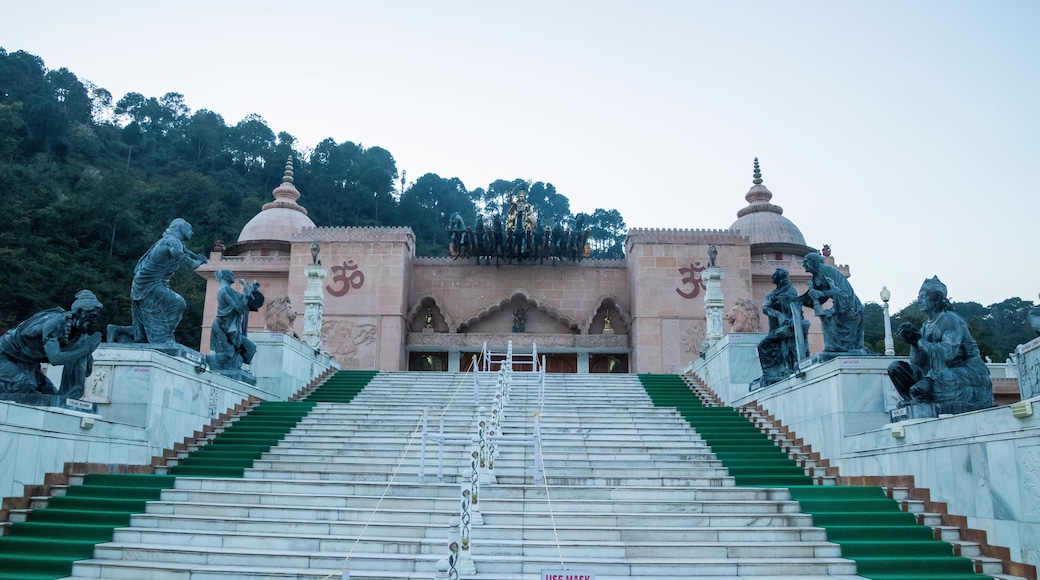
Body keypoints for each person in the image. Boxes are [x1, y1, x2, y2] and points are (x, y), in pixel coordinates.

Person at [887, 277, 994, 413]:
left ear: (936, 299)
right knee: (895, 368)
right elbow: (917, 362)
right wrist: (913, 342)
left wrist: (919, 341)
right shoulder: (925, 326)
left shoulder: (950, 319)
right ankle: (912, 400)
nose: (919, 300)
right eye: (918, 297)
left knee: (919, 390)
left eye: (924, 296)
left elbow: (947, 354)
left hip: (964, 371)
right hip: (937, 372)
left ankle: (917, 399)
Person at [0, 290, 103, 400]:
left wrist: (86, 354)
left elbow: (87, 372)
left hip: (29, 363)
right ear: (78, 311)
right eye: (91, 316)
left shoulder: (80, 336)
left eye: (96, 317)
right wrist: (85, 349)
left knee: (50, 394)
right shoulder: (54, 323)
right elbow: (55, 358)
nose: (94, 321)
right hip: (5, 356)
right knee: (25, 386)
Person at [129, 218, 207, 344]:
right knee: (178, 303)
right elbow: (187, 261)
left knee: (152, 318)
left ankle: (118, 331)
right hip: (148, 284)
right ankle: (164, 338)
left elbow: (186, 252)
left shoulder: (171, 241)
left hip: (149, 283)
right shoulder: (173, 242)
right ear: (181, 228)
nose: (192, 233)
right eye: (190, 229)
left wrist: (199, 257)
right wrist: (198, 261)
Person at [801, 251, 868, 356]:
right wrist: (797, 300)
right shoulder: (817, 275)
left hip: (849, 306)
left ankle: (841, 349)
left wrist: (821, 293)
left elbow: (842, 292)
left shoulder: (827, 270)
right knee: (827, 319)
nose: (803, 265)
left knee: (830, 320)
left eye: (806, 262)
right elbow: (811, 296)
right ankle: (833, 348)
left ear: (813, 262)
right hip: (839, 305)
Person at [756, 269, 809, 387]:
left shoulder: (791, 291)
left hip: (790, 326)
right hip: (776, 328)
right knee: (763, 346)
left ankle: (788, 369)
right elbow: (765, 308)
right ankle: (770, 373)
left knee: (789, 346)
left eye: (775, 276)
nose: (772, 278)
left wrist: (791, 321)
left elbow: (795, 309)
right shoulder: (771, 294)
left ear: (780, 278)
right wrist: (779, 315)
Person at [206, 270, 264, 371]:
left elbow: (249, 303)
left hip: (232, 329)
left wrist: (254, 290)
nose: (234, 276)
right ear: (224, 276)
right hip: (225, 328)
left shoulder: (231, 291)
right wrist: (246, 295)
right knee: (239, 351)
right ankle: (207, 360)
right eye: (231, 274)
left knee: (241, 351)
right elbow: (238, 308)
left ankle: (239, 367)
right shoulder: (224, 290)